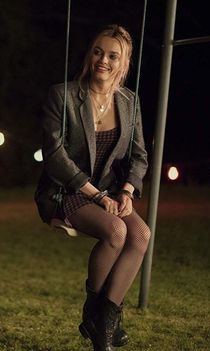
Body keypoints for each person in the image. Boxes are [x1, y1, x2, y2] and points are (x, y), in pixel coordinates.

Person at [35, 24, 151, 351]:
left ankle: (103, 320)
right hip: (67, 191)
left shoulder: (129, 101)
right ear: (90, 54)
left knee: (141, 235)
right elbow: (54, 156)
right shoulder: (65, 95)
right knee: (116, 232)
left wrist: (127, 191)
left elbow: (140, 155)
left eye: (113, 55)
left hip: (110, 194)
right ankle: (96, 317)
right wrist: (96, 194)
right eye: (98, 51)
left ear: (124, 63)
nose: (103, 60)